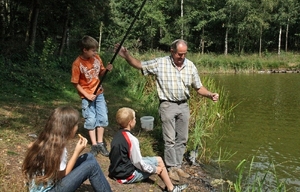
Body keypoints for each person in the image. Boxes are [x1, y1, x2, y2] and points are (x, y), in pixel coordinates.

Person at [116, 39, 219, 181]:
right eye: (179, 54)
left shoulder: (190, 66)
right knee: (169, 139)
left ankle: (178, 166)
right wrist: (127, 56)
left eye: (184, 54)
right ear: (172, 51)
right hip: (167, 105)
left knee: (182, 138)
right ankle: (171, 168)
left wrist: (210, 94)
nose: (182, 57)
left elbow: (198, 87)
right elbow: (140, 65)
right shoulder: (161, 63)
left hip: (184, 105)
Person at [22, 106, 112, 192]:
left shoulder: (43, 140)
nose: (77, 128)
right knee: (91, 166)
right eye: (76, 125)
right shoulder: (59, 149)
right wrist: (77, 152)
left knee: (88, 157)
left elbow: (30, 146)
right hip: (50, 190)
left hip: (42, 185)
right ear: (69, 128)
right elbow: (63, 175)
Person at [108, 107, 188, 192]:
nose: (136, 120)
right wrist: (155, 169)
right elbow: (138, 162)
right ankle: (171, 188)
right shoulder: (132, 139)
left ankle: (170, 186)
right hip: (126, 176)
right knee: (160, 165)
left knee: (159, 159)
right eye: (135, 118)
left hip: (115, 171)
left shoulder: (117, 136)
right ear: (130, 123)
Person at [71, 35, 112, 157]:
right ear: (85, 50)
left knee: (102, 117)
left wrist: (107, 70)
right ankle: (94, 144)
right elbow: (75, 83)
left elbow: (101, 72)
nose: (95, 52)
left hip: (99, 94)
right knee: (91, 119)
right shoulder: (77, 64)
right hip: (87, 96)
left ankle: (100, 143)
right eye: (93, 50)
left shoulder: (97, 58)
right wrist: (87, 95)